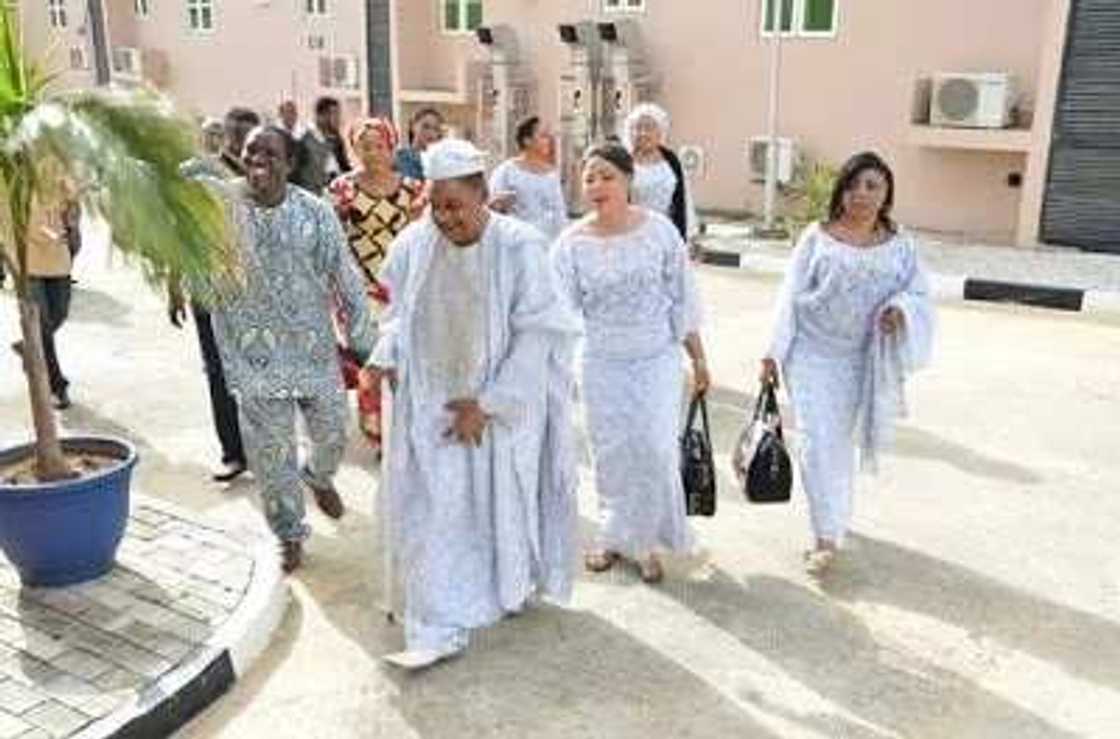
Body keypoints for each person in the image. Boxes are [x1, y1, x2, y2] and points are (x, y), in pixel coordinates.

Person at [370, 138, 579, 669]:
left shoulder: (518, 246)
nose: (445, 218)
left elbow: (539, 334)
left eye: (456, 206)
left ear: (483, 194)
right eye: (435, 206)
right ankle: (438, 618)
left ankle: (503, 587)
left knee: (494, 511)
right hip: (431, 406)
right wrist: (388, 353)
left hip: (495, 415)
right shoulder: (417, 243)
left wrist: (489, 404)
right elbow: (397, 312)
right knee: (437, 510)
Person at [193, 125, 379, 573]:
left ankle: (318, 476)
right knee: (271, 456)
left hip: (312, 351)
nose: (259, 159)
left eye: (271, 153)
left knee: (334, 432)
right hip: (252, 355)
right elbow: (190, 234)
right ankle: (290, 533)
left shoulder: (315, 213)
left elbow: (345, 276)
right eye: (252, 151)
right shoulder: (222, 207)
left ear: (290, 164)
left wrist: (364, 342)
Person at [759, 152, 935, 575]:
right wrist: (772, 352)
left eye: (872, 186)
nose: (862, 194)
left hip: (863, 359)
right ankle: (824, 536)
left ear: (886, 193)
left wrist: (900, 311)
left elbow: (919, 294)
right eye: (854, 185)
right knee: (817, 443)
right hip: (812, 355)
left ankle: (837, 516)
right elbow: (789, 297)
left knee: (841, 445)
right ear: (842, 191)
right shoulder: (817, 237)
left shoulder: (900, 245)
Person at [552, 142, 709, 585]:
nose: (597, 185)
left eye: (607, 176)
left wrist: (698, 360)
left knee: (655, 449)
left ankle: (647, 541)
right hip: (601, 360)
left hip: (656, 357)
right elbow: (557, 313)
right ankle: (614, 536)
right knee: (611, 453)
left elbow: (684, 300)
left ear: (628, 181)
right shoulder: (570, 243)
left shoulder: (659, 231)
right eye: (589, 178)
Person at [172, 108, 261, 482]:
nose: (217, 141)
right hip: (206, 288)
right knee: (218, 371)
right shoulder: (189, 175)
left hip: (250, 289)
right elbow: (176, 232)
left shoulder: (253, 174)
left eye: (219, 134)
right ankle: (233, 452)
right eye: (211, 135)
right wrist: (173, 286)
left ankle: (268, 445)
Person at [326, 118, 425, 451]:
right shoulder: (342, 190)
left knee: (404, 361)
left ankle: (406, 427)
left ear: (392, 147)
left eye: (379, 145)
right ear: (353, 149)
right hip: (358, 292)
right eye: (363, 146)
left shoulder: (413, 188)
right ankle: (379, 435)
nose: (372, 153)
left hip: (405, 289)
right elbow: (329, 239)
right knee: (372, 361)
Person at [7, 165, 79, 410]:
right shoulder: (10, 174)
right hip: (25, 258)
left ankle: (29, 346)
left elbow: (71, 198)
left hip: (58, 258)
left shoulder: (51, 160)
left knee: (59, 313)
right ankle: (56, 385)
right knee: (44, 324)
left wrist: (71, 218)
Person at [622, 103, 699, 243]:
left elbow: (685, 198)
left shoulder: (673, 162)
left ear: (660, 132)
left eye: (649, 128)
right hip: (632, 233)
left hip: (666, 233)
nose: (643, 133)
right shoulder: (623, 162)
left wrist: (691, 234)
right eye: (638, 128)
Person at [488, 115, 569, 241]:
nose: (548, 140)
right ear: (527, 140)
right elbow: (491, 208)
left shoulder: (551, 176)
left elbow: (560, 214)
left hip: (544, 244)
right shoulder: (506, 171)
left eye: (548, 136)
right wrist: (499, 204)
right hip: (514, 242)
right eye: (543, 136)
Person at [292, 96, 351, 195]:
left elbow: (345, 169)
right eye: (335, 114)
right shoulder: (302, 141)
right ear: (321, 116)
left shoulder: (336, 141)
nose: (339, 119)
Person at [393, 107, 444, 180]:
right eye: (426, 126)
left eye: (436, 129)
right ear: (413, 126)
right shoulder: (398, 158)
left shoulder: (441, 163)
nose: (431, 133)